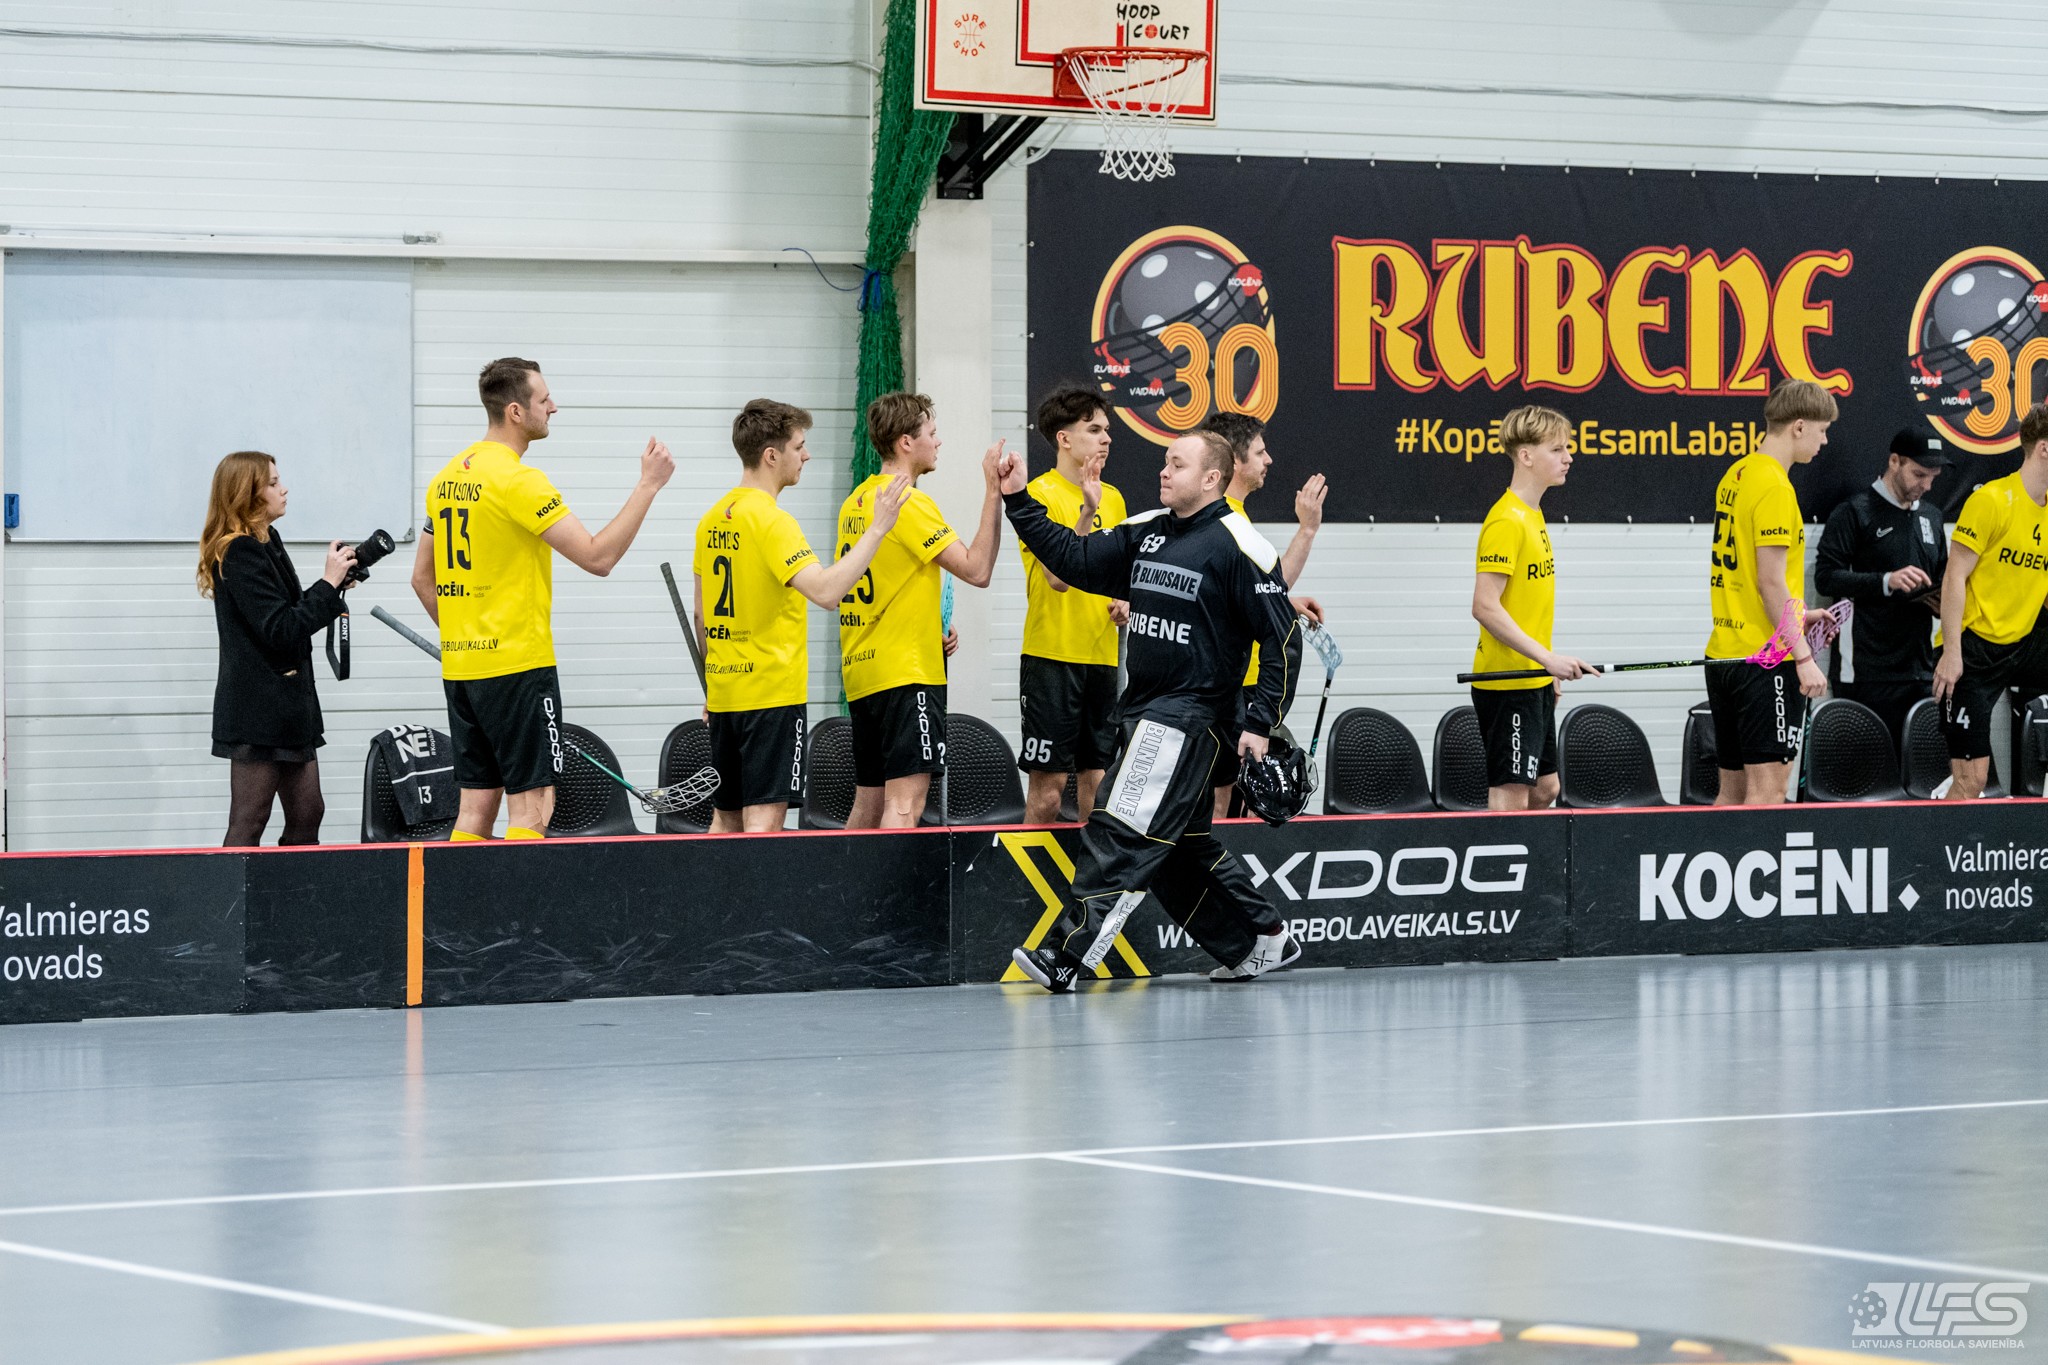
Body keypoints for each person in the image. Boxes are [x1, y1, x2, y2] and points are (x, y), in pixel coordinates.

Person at [1000, 430, 1302, 992]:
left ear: (1211, 478)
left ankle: (1067, 955)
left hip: (1190, 719)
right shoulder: (1147, 531)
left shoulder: (1244, 546)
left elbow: (1283, 641)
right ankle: (1259, 939)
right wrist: (1017, 499)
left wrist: (1261, 722)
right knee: (1179, 850)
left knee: (1119, 829)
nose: (1163, 471)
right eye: (1165, 461)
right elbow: (1071, 556)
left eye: (1177, 464)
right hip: (1142, 713)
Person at [409, 357, 675, 840]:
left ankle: (461, 895)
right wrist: (648, 485)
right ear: (515, 411)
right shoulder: (518, 481)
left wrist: (466, 637)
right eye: (544, 399)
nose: (554, 407)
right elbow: (598, 557)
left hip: (463, 669)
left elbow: (421, 580)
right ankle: (518, 896)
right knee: (532, 810)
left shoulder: (445, 480)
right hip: (517, 669)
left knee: (474, 812)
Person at [692, 399, 910, 833]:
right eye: (799, 446)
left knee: (725, 823)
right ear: (771, 456)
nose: (806, 455)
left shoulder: (711, 519)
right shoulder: (773, 522)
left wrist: (714, 683)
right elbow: (827, 592)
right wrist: (878, 528)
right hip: (771, 698)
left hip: (725, 694)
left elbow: (701, 615)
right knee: (763, 824)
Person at [837, 392, 1007, 829]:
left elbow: (886, 580)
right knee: (904, 805)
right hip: (905, 674)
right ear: (906, 442)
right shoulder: (909, 503)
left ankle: (848, 878)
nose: (939, 442)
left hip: (864, 672)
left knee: (868, 804)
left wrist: (931, 625)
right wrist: (993, 491)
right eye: (932, 433)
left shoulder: (856, 501)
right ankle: (891, 881)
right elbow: (977, 569)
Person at [200, 451, 357, 847]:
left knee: (308, 813)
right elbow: (280, 629)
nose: (283, 489)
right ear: (247, 493)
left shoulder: (266, 541)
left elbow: (289, 612)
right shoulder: (239, 551)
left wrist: (333, 586)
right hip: (259, 712)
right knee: (250, 819)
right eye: (272, 483)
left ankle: (293, 888)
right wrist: (327, 586)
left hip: (287, 709)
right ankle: (231, 890)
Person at [1704, 379, 1835, 806]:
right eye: (1822, 430)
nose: (1824, 441)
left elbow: (1749, 576)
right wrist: (1803, 657)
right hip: (1766, 661)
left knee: (1731, 794)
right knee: (1768, 794)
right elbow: (1770, 582)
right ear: (1799, 426)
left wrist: (1800, 616)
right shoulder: (1776, 487)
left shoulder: (1737, 473)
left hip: (1724, 655)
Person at [1468, 406, 1599, 810]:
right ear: (1525, 456)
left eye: (1567, 448)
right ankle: (1504, 852)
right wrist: (1547, 659)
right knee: (1511, 794)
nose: (1568, 457)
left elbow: (1526, 606)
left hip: (1533, 677)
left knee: (1545, 789)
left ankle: (1529, 849)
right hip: (1507, 682)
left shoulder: (1532, 514)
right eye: (1557, 449)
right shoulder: (1506, 521)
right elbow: (1484, 606)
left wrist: (1546, 669)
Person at [1199, 412, 1327, 817]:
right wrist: (1307, 529)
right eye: (1259, 452)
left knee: (1233, 795)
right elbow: (1270, 586)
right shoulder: (1226, 518)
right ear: (1235, 461)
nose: (1268, 459)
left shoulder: (1232, 514)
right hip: (1233, 686)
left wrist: (1284, 603)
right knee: (1224, 798)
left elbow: (1251, 593)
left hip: (1243, 684)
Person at [1017, 386, 1130, 824]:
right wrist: (1086, 511)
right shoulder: (1037, 495)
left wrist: (1125, 599)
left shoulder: (1114, 498)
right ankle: (1031, 870)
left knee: (1098, 788)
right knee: (1048, 792)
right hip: (1052, 657)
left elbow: (1120, 572)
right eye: (1094, 429)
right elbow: (1058, 577)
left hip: (1102, 658)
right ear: (1064, 438)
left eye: (1107, 430)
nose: (1107, 438)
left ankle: (1091, 871)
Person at [1933, 402, 2048, 800]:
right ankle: (1941, 841)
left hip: (2023, 643)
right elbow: (1954, 578)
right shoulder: (1992, 501)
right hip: (1973, 649)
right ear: (2044, 449)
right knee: (1972, 780)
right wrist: (1951, 653)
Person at [1814, 427, 1950, 752]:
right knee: (1865, 773)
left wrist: (1941, 600)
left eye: (1933, 478)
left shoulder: (1932, 517)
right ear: (1894, 462)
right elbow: (1826, 577)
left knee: (1918, 774)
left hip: (1919, 671)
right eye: (1919, 475)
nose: (1926, 486)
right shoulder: (1854, 511)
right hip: (1865, 673)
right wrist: (1885, 581)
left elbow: (1942, 577)